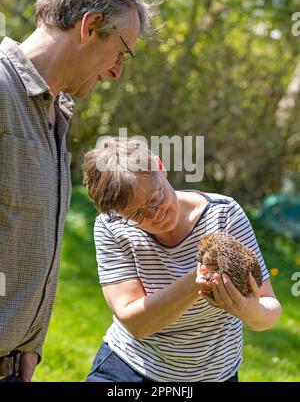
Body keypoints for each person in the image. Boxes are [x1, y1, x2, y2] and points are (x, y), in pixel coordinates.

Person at [0, 0, 152, 382]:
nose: (118, 70)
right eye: (121, 51)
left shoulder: (55, 113)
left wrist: (26, 347)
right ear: (90, 27)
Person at [82, 137, 282, 382]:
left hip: (214, 375)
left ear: (160, 166)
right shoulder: (112, 226)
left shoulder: (223, 214)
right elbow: (137, 324)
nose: (155, 215)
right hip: (131, 369)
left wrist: (249, 310)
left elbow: (269, 308)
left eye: (156, 198)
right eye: (136, 213)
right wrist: (195, 282)